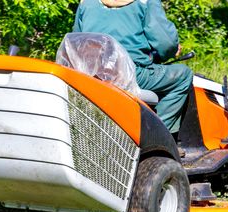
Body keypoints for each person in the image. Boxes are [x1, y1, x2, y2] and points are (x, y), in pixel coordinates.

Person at [73, 0, 193, 135]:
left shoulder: (86, 2)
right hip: (131, 74)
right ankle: (159, 137)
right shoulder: (146, 1)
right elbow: (166, 44)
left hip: (92, 75)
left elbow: (77, 39)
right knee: (183, 75)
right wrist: (171, 50)